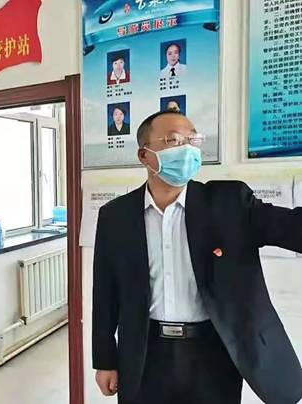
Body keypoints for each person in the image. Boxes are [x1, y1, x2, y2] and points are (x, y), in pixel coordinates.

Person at [92, 111, 302, 404]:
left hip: (213, 353)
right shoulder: (116, 216)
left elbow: (292, 229)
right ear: (144, 155)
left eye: (193, 140)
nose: (187, 149)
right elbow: (105, 293)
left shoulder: (229, 203)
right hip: (144, 353)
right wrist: (104, 359)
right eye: (174, 140)